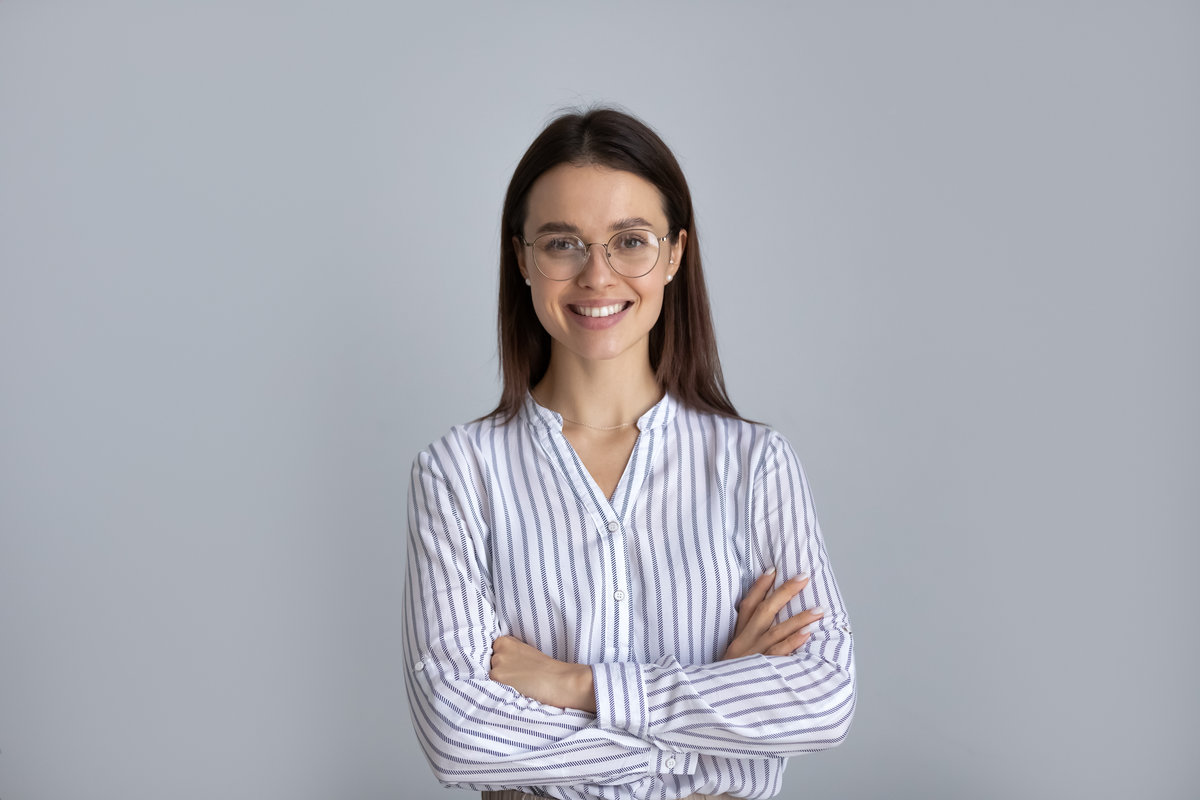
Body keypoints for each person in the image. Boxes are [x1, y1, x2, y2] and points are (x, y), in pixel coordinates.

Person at [403, 108, 855, 800]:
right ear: (522, 257)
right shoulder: (459, 473)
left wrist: (573, 685)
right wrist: (714, 712)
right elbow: (460, 738)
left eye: (629, 241)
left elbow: (822, 699)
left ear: (674, 254)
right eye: (563, 244)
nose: (597, 276)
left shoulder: (753, 465)